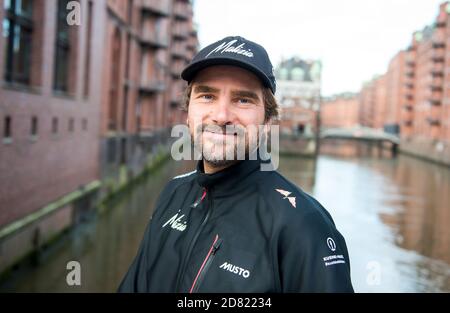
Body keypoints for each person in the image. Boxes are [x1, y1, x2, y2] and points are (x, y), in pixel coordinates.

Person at [118, 36, 354, 293]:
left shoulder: (303, 225)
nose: (221, 116)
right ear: (187, 112)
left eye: (243, 100)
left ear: (267, 121)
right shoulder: (173, 193)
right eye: (207, 95)